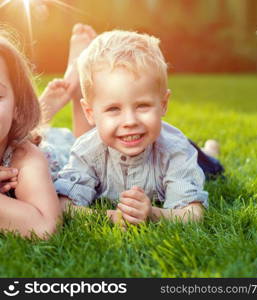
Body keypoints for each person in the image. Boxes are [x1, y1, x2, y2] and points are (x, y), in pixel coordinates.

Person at [49, 29, 224, 227]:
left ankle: (210, 149)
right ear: (90, 113)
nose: (130, 121)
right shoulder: (87, 151)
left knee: (210, 166)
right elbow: (64, 206)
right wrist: (111, 217)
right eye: (114, 109)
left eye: (142, 106)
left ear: (163, 104)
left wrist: (153, 214)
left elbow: (194, 214)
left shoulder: (176, 152)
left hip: (187, 153)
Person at [0, 28, 61, 238]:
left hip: (60, 151)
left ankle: (75, 82)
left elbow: (44, 227)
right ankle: (49, 106)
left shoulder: (23, 156)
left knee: (89, 142)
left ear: (17, 107)